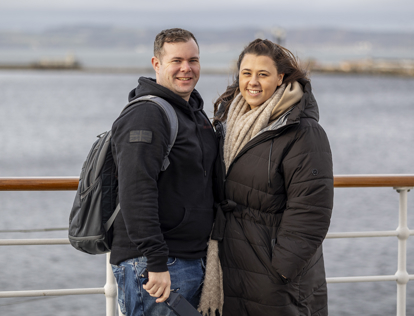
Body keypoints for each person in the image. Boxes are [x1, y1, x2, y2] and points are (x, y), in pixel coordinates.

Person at [199, 39, 333, 316]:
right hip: (230, 264)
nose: (253, 82)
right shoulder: (226, 119)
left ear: (280, 77)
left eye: (263, 74)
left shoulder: (301, 130)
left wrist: (282, 270)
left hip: (273, 274)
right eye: (246, 73)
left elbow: (311, 209)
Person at [110, 28, 218, 316]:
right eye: (176, 61)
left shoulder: (193, 113)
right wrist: (155, 261)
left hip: (189, 259)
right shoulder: (146, 115)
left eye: (193, 60)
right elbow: (136, 190)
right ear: (156, 64)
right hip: (158, 265)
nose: (187, 68)